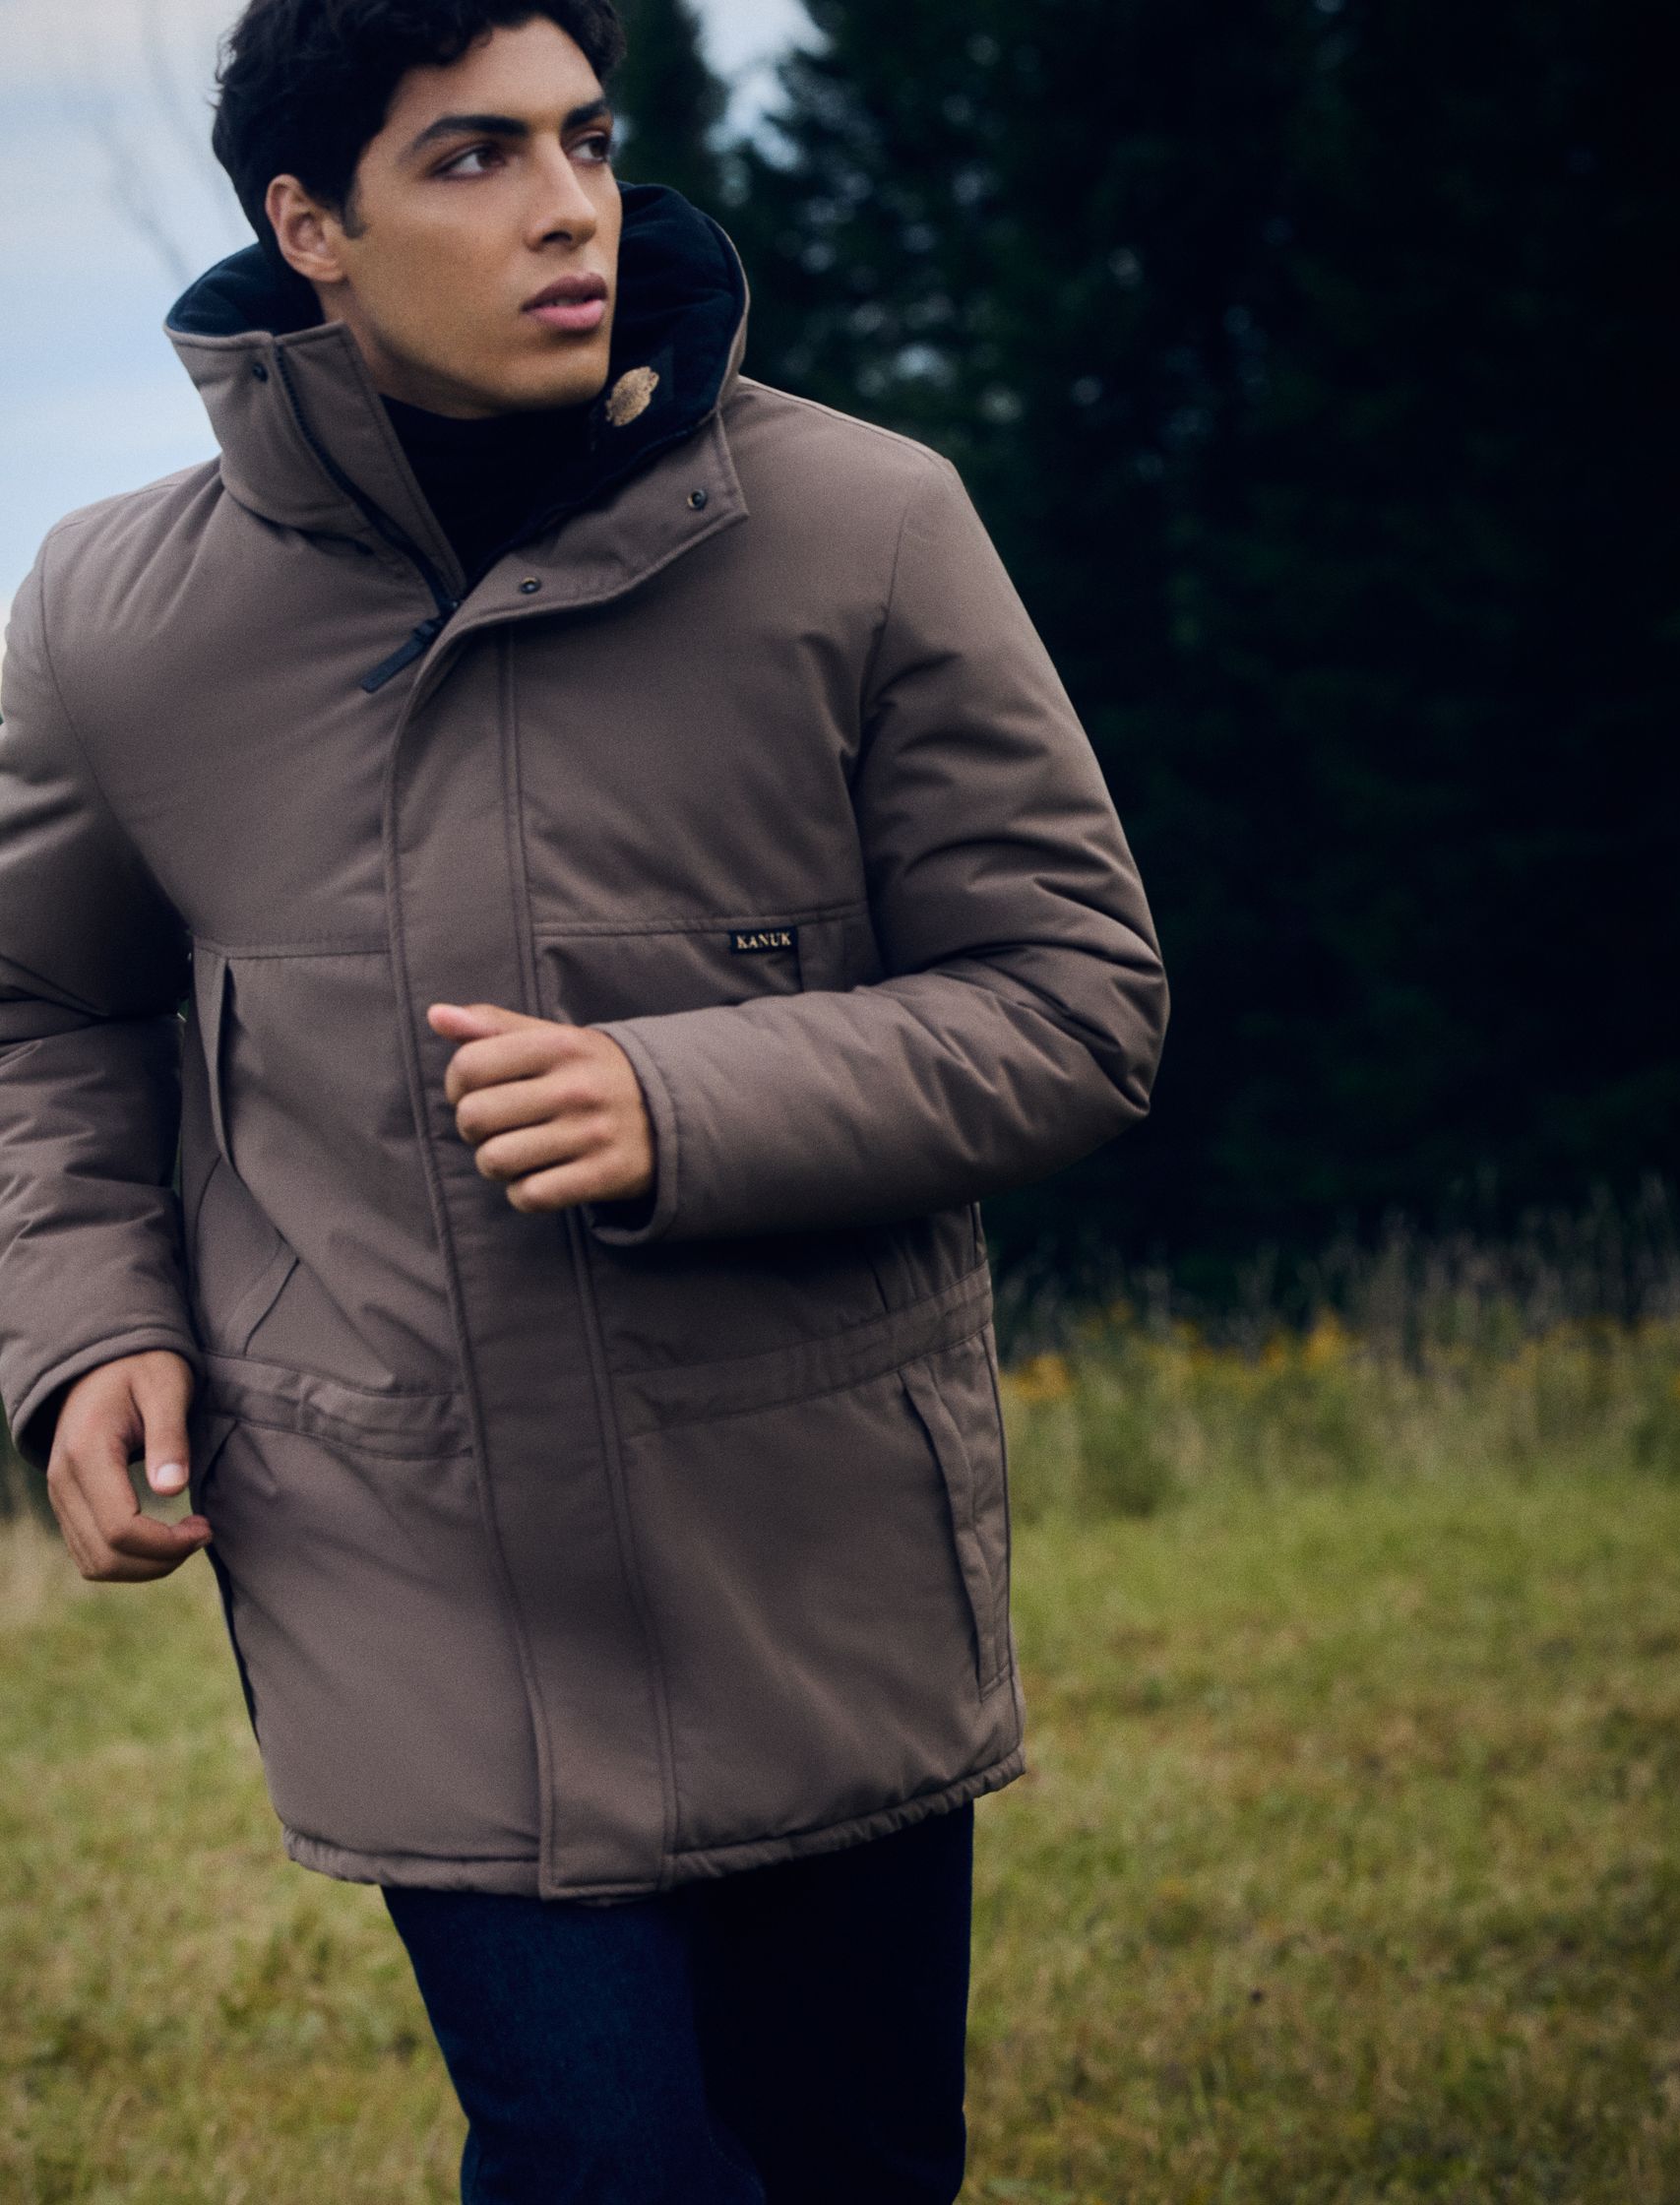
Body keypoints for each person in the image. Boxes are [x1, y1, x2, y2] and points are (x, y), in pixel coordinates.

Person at [0, 2, 1168, 2197]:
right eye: (472, 159)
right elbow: (37, 1007)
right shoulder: (111, 620)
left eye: (588, 141)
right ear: (305, 224)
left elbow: (1080, 996)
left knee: (846, 2166)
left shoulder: (866, 529)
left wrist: (683, 1096)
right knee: (606, 2162)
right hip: (403, 1559)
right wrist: (84, 1325)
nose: (569, 213)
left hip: (806, 1546)